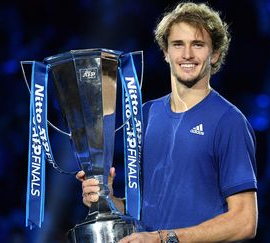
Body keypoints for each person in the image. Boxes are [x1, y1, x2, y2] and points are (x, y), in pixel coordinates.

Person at [76, 2, 258, 242]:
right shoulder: (145, 114)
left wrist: (165, 238)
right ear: (165, 52)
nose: (187, 55)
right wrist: (107, 199)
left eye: (198, 45)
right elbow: (144, 213)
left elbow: (245, 221)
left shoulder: (229, 121)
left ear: (214, 54)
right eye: (178, 44)